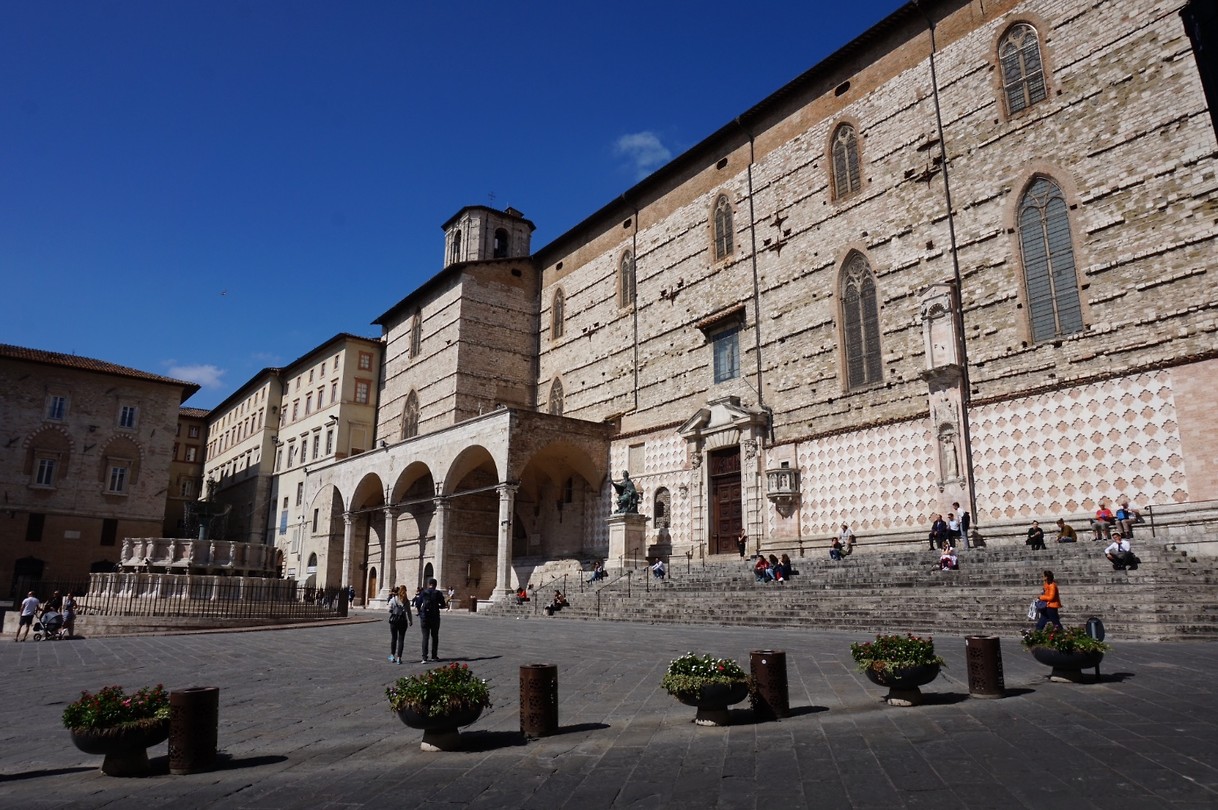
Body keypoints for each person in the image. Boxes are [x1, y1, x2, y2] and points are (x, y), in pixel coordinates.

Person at [413, 578, 447, 663]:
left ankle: (424, 657)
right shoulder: (438, 593)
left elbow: (418, 604)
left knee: (425, 637)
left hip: (425, 617)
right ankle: (434, 656)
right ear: (435, 585)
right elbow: (443, 605)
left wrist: (420, 612)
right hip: (435, 617)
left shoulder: (423, 592)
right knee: (435, 636)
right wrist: (437, 606)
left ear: (429, 584)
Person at [386, 585, 411, 664]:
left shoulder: (394, 599)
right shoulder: (406, 601)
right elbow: (409, 612)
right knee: (401, 639)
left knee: (394, 638)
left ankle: (392, 656)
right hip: (403, 621)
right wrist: (410, 621)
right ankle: (399, 658)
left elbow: (389, 609)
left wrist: (394, 611)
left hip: (394, 621)